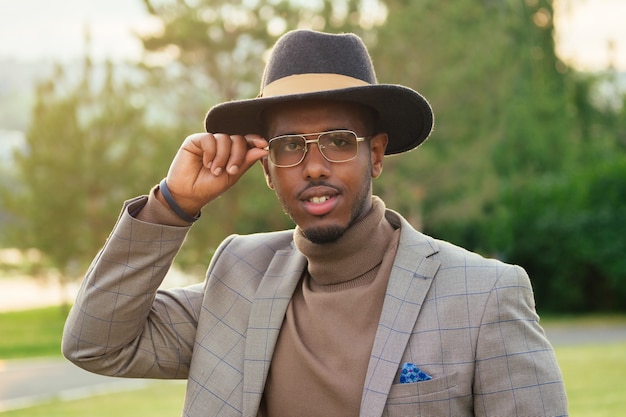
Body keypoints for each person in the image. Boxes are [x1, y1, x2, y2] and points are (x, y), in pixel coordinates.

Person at [62, 29, 568, 417]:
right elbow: (96, 343)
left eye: (340, 141)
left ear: (375, 155)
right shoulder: (238, 279)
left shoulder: (482, 295)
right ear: (266, 168)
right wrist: (171, 206)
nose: (315, 165)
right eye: (289, 147)